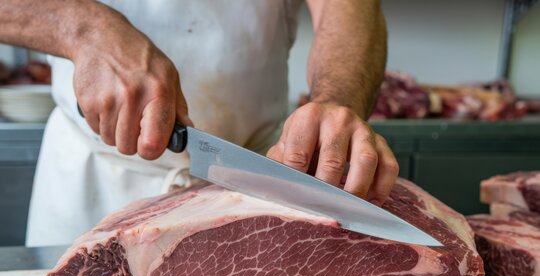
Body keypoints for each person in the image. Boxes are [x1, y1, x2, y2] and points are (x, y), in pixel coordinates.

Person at [0, 0, 398, 246]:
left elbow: (348, 6)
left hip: (255, 186)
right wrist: (82, 26)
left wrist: (338, 98)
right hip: (92, 188)